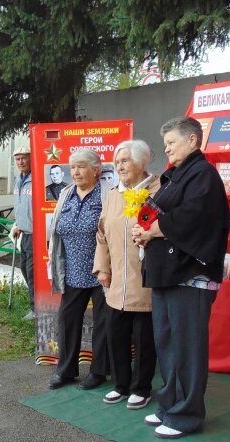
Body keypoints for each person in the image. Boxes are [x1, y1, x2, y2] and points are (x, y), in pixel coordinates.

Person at [132, 117, 230, 439]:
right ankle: (169, 405)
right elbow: (155, 211)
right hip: (167, 275)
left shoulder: (203, 175)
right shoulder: (174, 176)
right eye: (165, 145)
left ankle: (185, 415)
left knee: (186, 348)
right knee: (168, 345)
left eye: (172, 143)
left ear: (192, 140)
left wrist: (153, 229)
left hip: (190, 276)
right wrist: (141, 228)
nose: (167, 149)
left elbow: (192, 218)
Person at [93, 140, 158, 409]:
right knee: (115, 333)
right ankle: (121, 384)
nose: (119, 166)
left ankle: (141, 388)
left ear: (142, 163)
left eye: (125, 161)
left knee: (143, 338)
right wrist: (103, 267)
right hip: (116, 280)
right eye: (116, 162)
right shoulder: (113, 194)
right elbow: (102, 235)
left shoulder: (157, 191)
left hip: (144, 279)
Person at [47, 149, 111, 390]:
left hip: (101, 271)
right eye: (72, 167)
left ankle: (99, 371)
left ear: (96, 170)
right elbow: (56, 231)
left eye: (81, 166)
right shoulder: (66, 194)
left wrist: (107, 267)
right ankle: (66, 370)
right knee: (67, 320)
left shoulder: (107, 194)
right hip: (72, 270)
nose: (75, 172)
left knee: (103, 323)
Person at [12, 146, 36, 320]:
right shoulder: (19, 179)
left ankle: (36, 309)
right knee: (25, 269)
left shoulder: (35, 178)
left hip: (36, 234)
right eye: (17, 159)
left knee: (32, 272)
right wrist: (17, 224)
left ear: (30, 158)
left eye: (24, 158)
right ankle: (35, 303)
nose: (21, 162)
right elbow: (21, 206)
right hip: (24, 233)